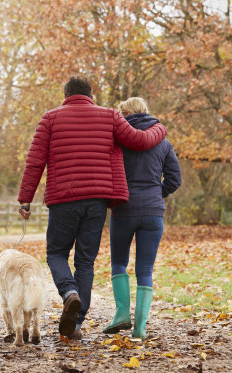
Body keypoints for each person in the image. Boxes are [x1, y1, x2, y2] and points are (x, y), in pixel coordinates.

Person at [17, 77, 168, 341]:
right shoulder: (110, 116)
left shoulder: (50, 119)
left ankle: (69, 294)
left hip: (63, 199)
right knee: (85, 261)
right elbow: (141, 140)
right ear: (91, 95)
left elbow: (34, 162)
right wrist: (160, 129)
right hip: (97, 200)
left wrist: (25, 200)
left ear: (65, 94)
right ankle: (75, 323)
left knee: (56, 252)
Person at [102, 97, 181, 339]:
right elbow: (174, 180)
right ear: (146, 111)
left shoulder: (118, 141)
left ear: (124, 114)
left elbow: (108, 173)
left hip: (124, 210)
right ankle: (140, 328)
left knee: (119, 263)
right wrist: (157, 194)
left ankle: (122, 314)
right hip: (153, 212)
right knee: (145, 269)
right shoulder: (164, 143)